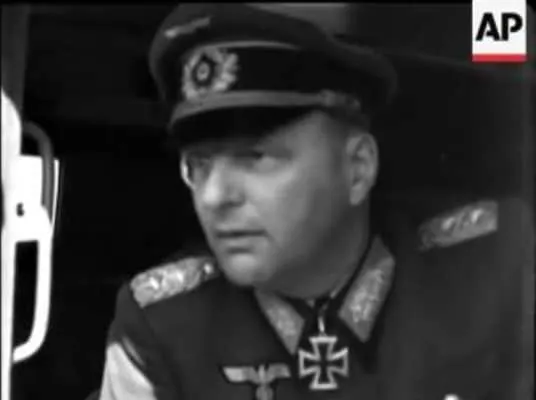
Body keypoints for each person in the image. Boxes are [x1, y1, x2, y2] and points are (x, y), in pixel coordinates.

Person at [95, 3, 533, 400]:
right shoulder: (164, 328)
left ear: (357, 168)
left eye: (255, 156)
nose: (213, 197)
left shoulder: (493, 272)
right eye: (198, 165)